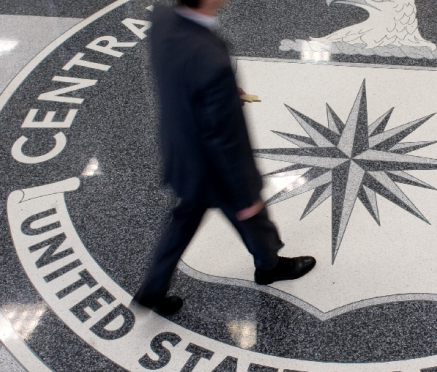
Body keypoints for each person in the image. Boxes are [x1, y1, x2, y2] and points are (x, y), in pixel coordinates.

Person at [133, 0, 316, 316]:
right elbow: (224, 140)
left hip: (180, 150)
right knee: (252, 216)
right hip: (213, 168)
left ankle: (152, 289)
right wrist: (245, 193)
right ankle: (269, 267)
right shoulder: (211, 63)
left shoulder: (162, 17)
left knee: (183, 221)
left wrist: (221, 94)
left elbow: (180, 71)